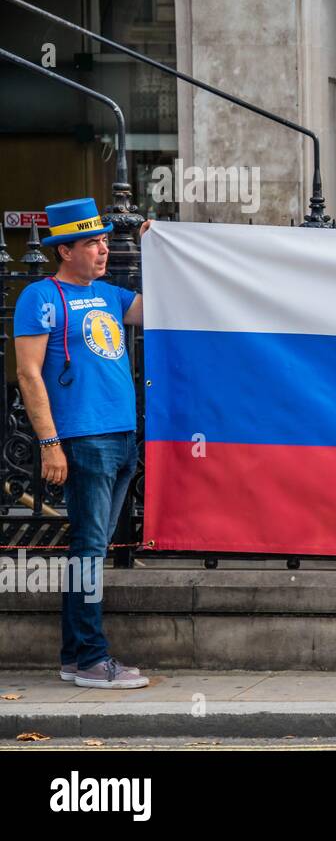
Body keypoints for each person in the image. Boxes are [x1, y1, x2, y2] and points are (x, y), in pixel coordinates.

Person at [13, 198, 151, 690]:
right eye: (92, 243)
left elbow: (163, 306)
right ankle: (92, 658)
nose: (102, 250)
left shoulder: (111, 295)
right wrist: (49, 442)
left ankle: (76, 658)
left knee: (89, 549)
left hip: (121, 437)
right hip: (84, 438)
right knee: (89, 550)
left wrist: (157, 245)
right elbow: (28, 373)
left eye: (103, 242)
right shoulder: (40, 296)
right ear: (64, 249)